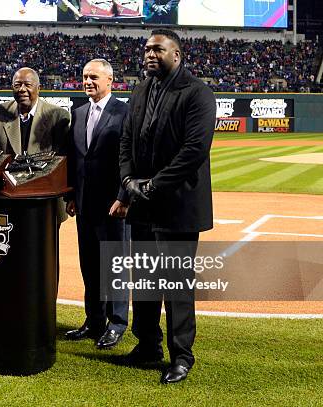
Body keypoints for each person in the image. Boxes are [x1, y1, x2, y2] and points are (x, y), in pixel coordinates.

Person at [119, 29, 216, 384]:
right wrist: (129, 183)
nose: (149, 54)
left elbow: (193, 151)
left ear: (176, 54)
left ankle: (181, 356)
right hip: (143, 202)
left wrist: (152, 186)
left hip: (177, 204)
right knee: (143, 280)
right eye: (146, 48)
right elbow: (128, 138)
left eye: (157, 49)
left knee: (176, 284)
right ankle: (147, 344)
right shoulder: (141, 88)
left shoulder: (198, 93)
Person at [65, 59, 130, 349]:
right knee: (89, 266)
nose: (88, 81)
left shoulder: (124, 112)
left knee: (114, 265)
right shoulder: (77, 113)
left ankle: (117, 323)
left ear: (109, 80)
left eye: (94, 77)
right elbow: (75, 159)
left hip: (113, 206)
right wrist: (70, 197)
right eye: (84, 76)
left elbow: (130, 160)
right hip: (85, 205)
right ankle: (94, 321)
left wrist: (124, 196)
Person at [0, 67, 70, 156]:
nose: (22, 89)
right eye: (17, 85)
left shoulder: (58, 116)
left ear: (38, 88)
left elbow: (62, 161)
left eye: (28, 85)